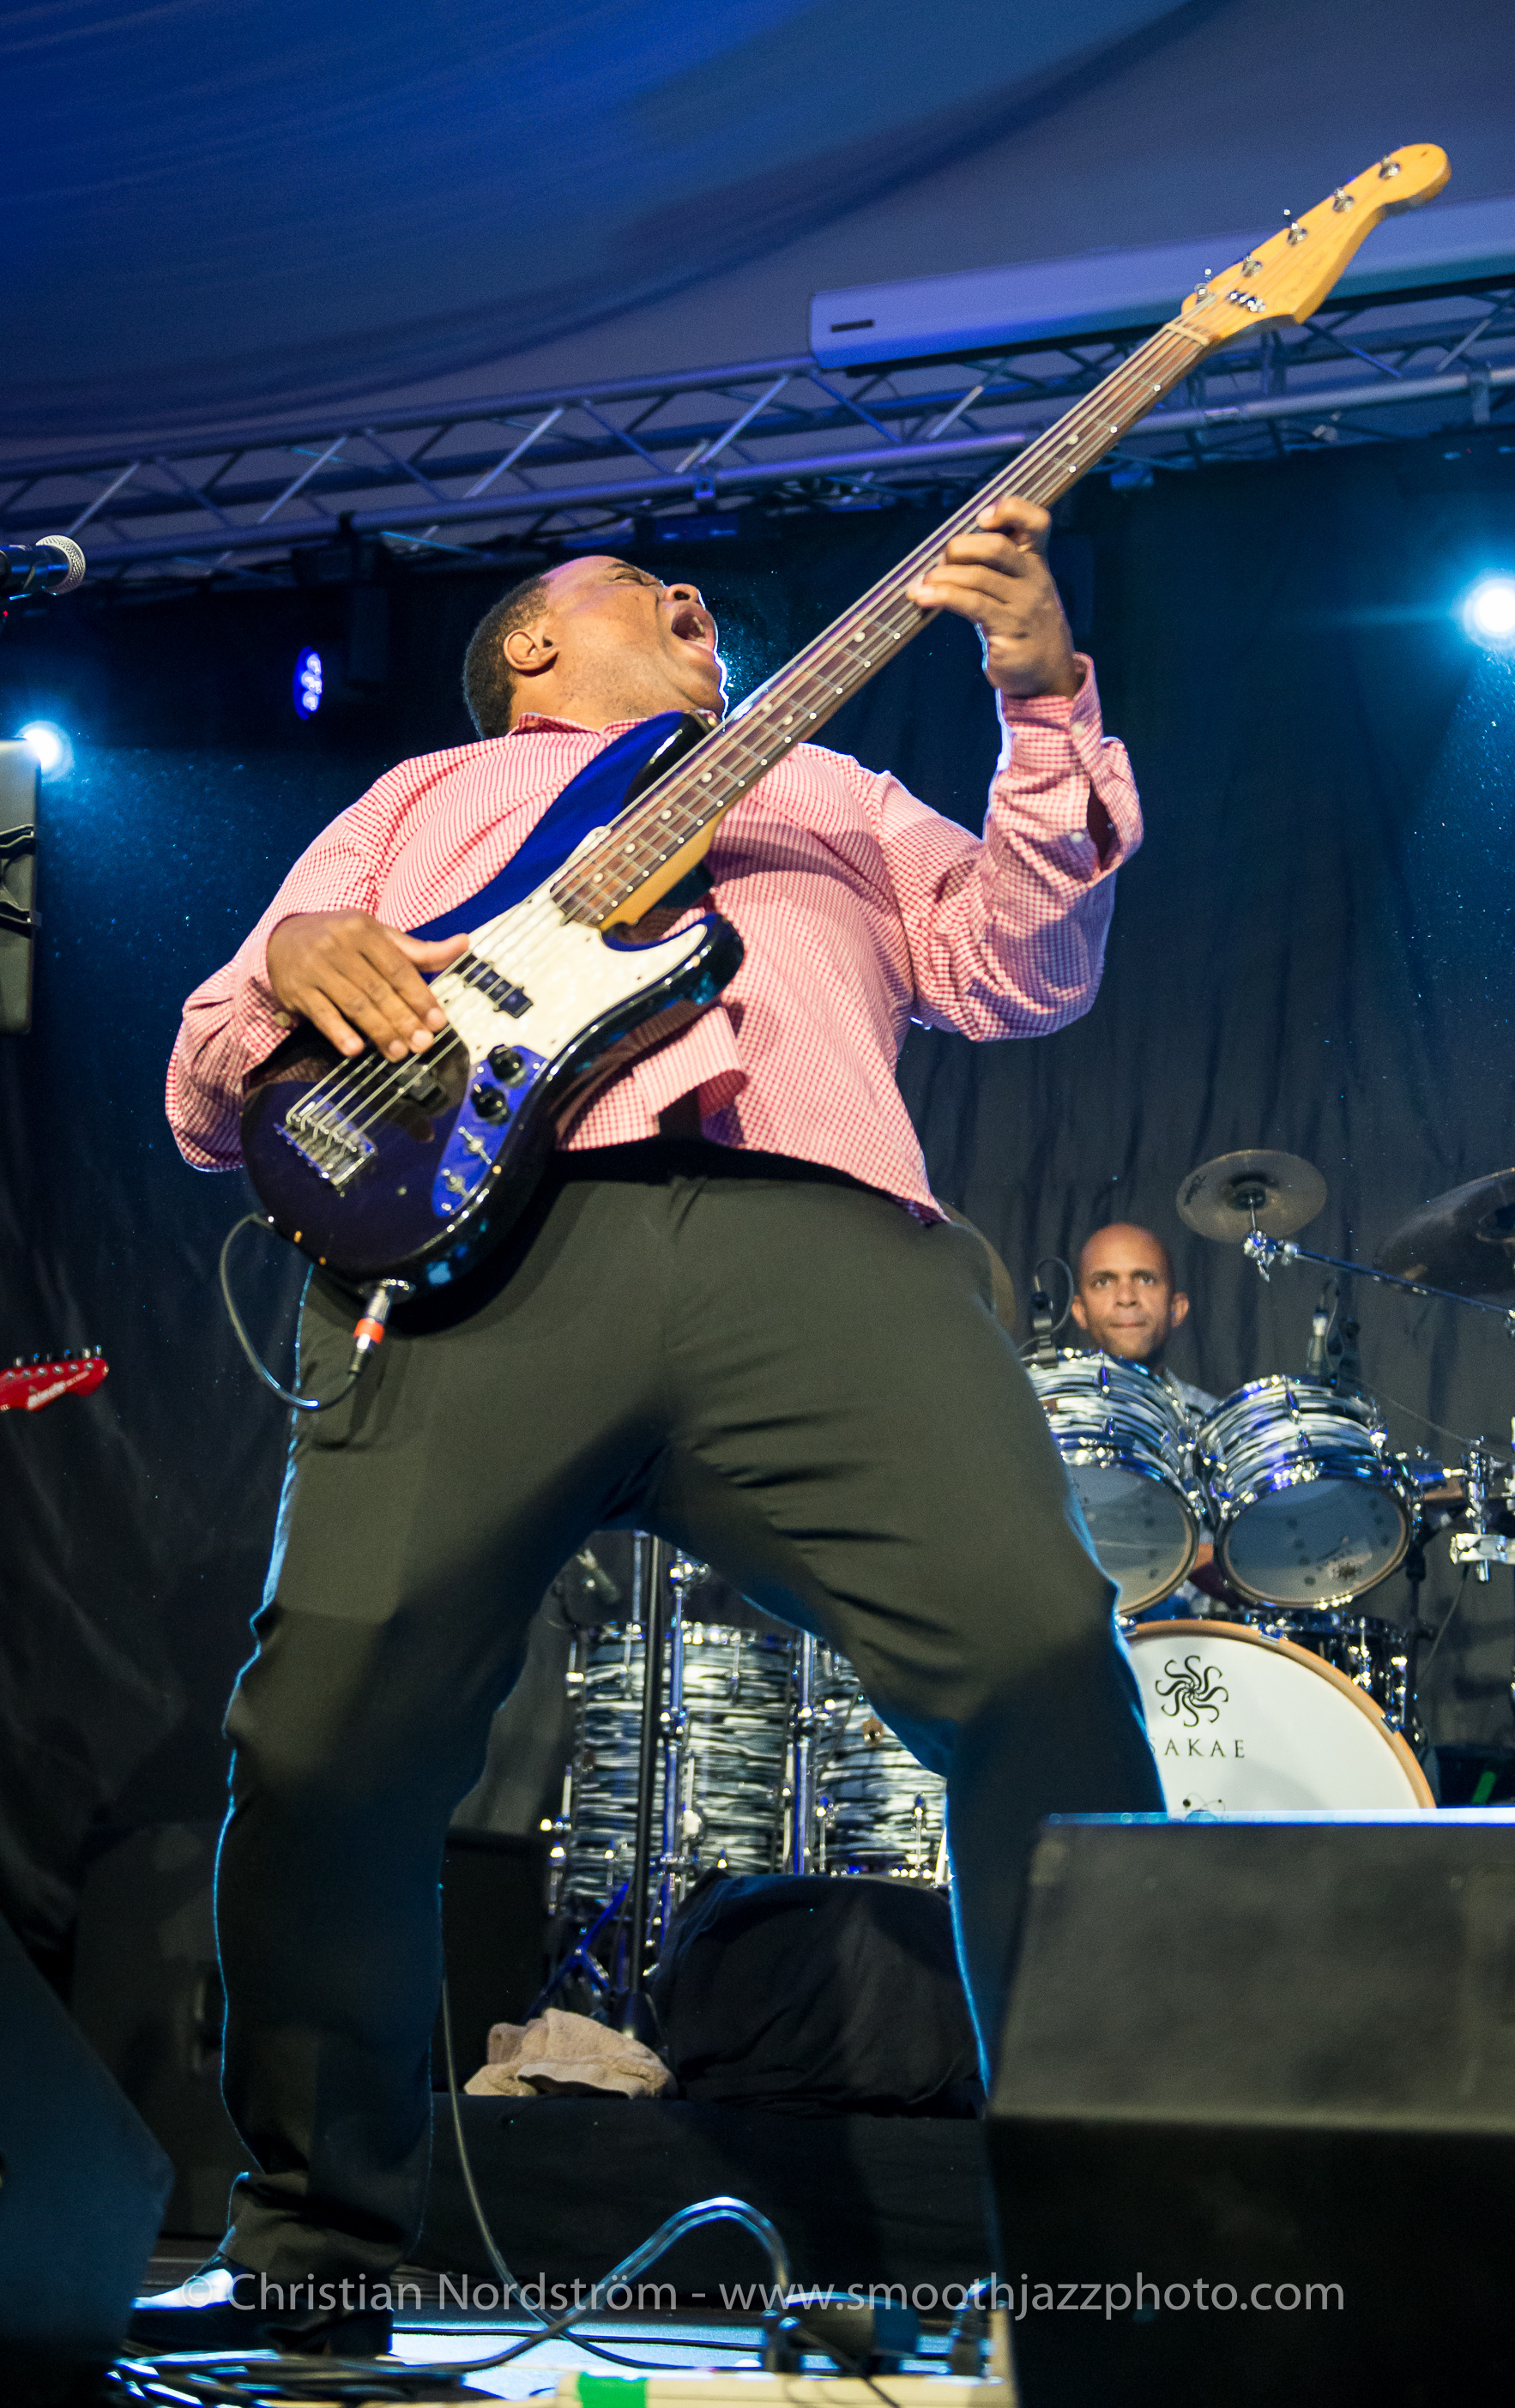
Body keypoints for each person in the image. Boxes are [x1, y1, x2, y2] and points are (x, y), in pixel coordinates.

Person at [142, 498, 1165, 2356]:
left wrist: (1040, 702)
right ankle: (311, 2261)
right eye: (639, 585)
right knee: (322, 1735)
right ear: (531, 645)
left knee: (1042, 1659)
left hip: (811, 1240)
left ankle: (1111, 2259)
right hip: (473, 1261)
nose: (693, 596)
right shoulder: (418, 795)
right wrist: (295, 963)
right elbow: (211, 1079)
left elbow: (1020, 969)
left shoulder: (827, 787)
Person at [1069, 1221, 1216, 1421]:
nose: (1126, 1298)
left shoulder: (1212, 1424)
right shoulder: (1044, 1414)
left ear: (1176, 1308)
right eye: (1103, 1283)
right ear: (1080, 1311)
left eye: (1145, 1280)